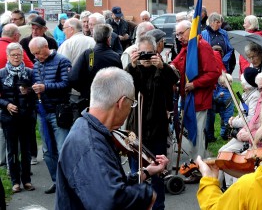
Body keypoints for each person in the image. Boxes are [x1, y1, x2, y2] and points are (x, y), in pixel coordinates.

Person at [56, 67, 169, 210]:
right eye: (132, 103)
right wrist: (147, 194)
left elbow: (107, 183)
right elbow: (110, 201)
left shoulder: (87, 127)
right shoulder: (91, 146)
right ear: (122, 102)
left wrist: (146, 172)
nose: (131, 108)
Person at [125, 36, 179, 210]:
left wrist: (162, 66)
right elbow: (124, 85)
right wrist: (132, 65)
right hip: (137, 130)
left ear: (156, 52)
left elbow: (174, 80)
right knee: (136, 174)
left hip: (157, 129)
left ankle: (158, 206)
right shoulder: (134, 69)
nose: (146, 58)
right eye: (142, 53)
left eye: (149, 53)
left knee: (157, 174)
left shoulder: (162, 69)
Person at [171, 20, 220, 182]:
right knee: (192, 135)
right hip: (188, 99)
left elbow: (213, 72)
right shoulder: (189, 47)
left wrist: (194, 84)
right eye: (176, 34)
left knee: (197, 136)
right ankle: (195, 165)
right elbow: (177, 63)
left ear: (189, 30)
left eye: (181, 33)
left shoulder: (202, 46)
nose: (178, 37)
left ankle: (199, 169)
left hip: (199, 99)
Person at [29, 37, 72, 194]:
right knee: (47, 152)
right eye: (34, 54)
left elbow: (67, 84)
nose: (36, 57)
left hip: (58, 112)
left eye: (38, 53)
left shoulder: (62, 61)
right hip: (43, 112)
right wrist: (29, 89)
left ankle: (67, 183)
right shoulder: (37, 64)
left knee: (62, 150)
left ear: (46, 47)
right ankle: (56, 181)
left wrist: (45, 87)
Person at [0, 43, 36, 193]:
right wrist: (6, 104)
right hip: (9, 117)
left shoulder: (29, 72)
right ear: (8, 56)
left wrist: (28, 92)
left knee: (26, 150)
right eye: (13, 55)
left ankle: (26, 180)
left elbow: (36, 94)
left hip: (26, 117)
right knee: (12, 149)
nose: (16, 58)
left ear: (22, 56)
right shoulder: (1, 73)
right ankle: (15, 181)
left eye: (19, 55)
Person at [69, 24, 123, 105]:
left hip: (91, 100)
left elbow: (73, 78)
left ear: (94, 38)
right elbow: (120, 81)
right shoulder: (115, 57)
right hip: (110, 100)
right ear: (109, 39)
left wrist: (85, 90)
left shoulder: (88, 54)